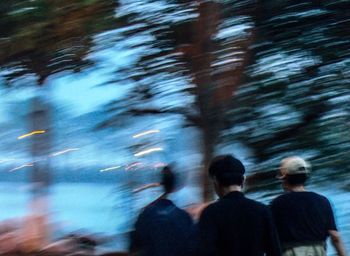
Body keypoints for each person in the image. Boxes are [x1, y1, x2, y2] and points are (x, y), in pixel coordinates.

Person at [196, 154, 281, 256]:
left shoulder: (210, 213)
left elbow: (205, 251)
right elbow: (274, 250)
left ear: (216, 182)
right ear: (243, 181)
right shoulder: (262, 210)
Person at [270, 156, 347, 256]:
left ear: (285, 178)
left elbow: (270, 236)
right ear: (306, 177)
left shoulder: (277, 203)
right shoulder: (323, 201)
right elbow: (335, 236)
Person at [129, 165, 194, 256]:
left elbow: (134, 248)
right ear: (175, 187)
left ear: (157, 185)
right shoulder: (184, 217)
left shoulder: (145, 215)